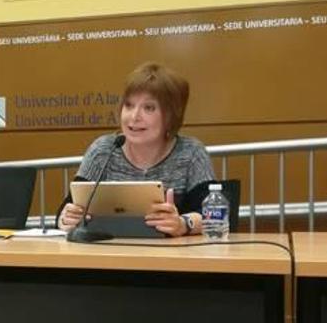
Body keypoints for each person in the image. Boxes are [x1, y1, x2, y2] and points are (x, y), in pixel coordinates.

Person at [57, 62, 215, 236]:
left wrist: (184, 223)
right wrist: (66, 218)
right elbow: (67, 210)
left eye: (148, 108)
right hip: (109, 257)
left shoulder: (191, 153)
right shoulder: (103, 150)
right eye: (129, 105)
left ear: (171, 115)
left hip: (172, 258)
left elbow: (215, 217)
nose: (134, 116)